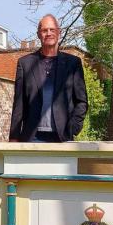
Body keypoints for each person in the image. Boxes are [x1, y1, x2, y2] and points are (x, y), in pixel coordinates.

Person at [9, 14, 88, 142]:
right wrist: (14, 137)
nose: (49, 33)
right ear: (39, 34)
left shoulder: (73, 63)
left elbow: (81, 101)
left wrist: (73, 128)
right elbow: (19, 104)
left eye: (52, 29)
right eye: (44, 30)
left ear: (59, 32)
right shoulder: (25, 64)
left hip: (62, 137)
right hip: (32, 137)